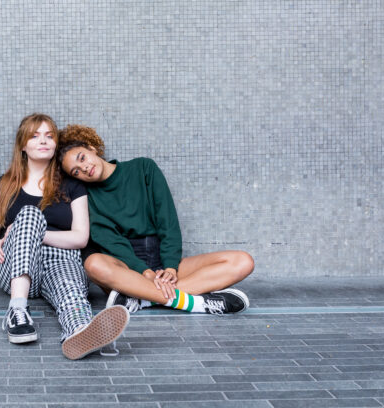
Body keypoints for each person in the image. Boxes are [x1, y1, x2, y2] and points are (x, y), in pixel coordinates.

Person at [57, 124, 255, 315]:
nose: (84, 168)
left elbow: (167, 221)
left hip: (162, 260)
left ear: (91, 148)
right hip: (127, 269)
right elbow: (110, 241)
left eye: (82, 158)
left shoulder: (143, 167)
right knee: (93, 264)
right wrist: (144, 273)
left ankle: (142, 299)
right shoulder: (87, 197)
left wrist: (170, 267)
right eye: (76, 171)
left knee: (242, 262)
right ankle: (194, 303)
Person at [0, 114, 129, 360]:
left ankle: (80, 331)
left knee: (69, 288)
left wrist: (39, 234)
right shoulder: (2, 186)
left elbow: (80, 238)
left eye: (49, 136)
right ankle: (17, 312)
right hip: (14, 263)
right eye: (35, 136)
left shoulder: (72, 185)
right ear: (23, 145)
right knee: (29, 214)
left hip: (61, 260)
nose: (44, 141)